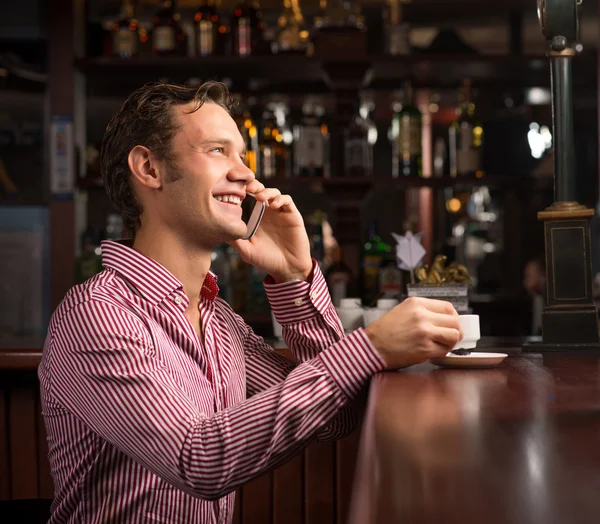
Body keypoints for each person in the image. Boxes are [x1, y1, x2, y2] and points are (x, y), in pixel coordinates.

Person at [38, 81, 463, 523]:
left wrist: (295, 277)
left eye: (241, 155)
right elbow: (199, 459)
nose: (246, 174)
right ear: (149, 168)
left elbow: (334, 418)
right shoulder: (96, 314)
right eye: (218, 151)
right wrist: (370, 347)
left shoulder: (218, 319)